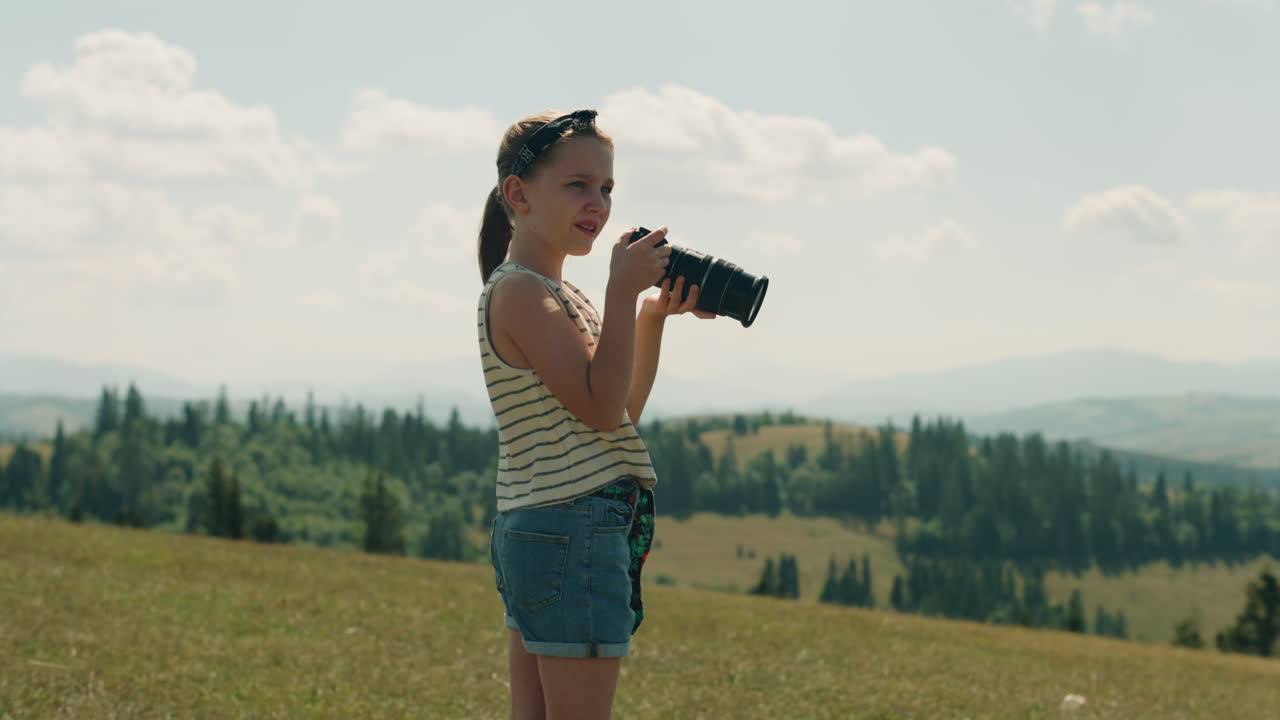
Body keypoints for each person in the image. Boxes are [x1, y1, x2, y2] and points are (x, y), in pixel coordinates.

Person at [476, 108, 714, 720]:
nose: (598, 202)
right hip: (572, 528)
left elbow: (615, 411)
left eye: (606, 187)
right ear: (518, 195)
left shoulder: (550, 293)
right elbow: (604, 409)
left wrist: (651, 317)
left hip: (544, 527)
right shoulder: (525, 291)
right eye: (578, 184)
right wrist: (621, 288)